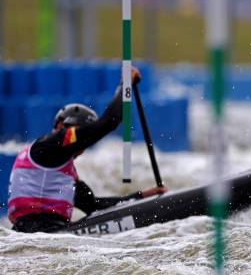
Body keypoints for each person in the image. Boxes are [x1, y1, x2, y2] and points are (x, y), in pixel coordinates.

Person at [7, 67, 167, 233]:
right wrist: (125, 84)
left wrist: (144, 196)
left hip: (36, 234)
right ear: (62, 126)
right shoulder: (49, 146)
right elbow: (110, 121)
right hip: (40, 231)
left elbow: (94, 206)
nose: (84, 145)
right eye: (83, 135)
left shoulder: (57, 170)